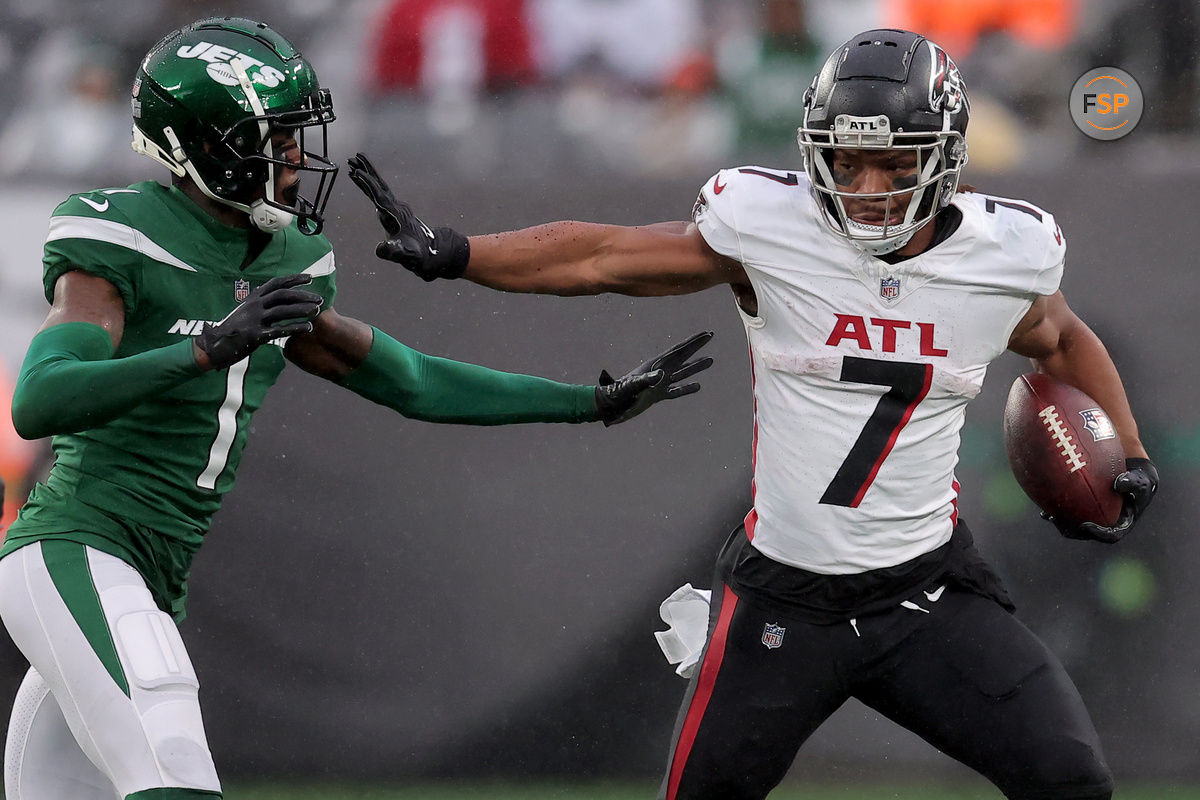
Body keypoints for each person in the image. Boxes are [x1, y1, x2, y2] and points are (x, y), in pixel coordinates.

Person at [350, 27, 1160, 800]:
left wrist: (1128, 450)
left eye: (892, 164)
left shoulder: (999, 257)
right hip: (783, 603)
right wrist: (460, 253)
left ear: (945, 161)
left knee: (1070, 780)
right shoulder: (773, 230)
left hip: (925, 596)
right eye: (846, 163)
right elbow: (603, 257)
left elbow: (1059, 339)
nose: (868, 190)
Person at [0, 17, 713, 800]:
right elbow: (39, 401)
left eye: (298, 138)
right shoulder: (123, 236)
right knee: (173, 764)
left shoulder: (288, 257)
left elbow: (408, 379)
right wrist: (204, 348)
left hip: (151, 569)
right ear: (202, 147)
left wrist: (587, 403)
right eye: (272, 141)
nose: (297, 161)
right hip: (76, 544)